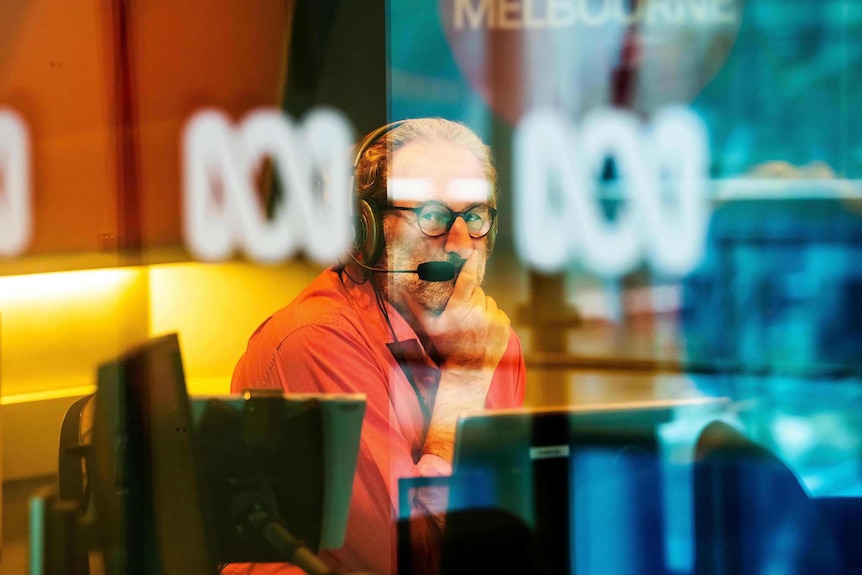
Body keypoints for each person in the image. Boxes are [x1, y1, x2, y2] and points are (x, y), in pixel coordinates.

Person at [225, 118, 526, 575]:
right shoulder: (316, 341)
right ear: (366, 228)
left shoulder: (493, 341)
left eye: (476, 216)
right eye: (431, 216)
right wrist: (462, 386)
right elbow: (413, 561)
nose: (462, 244)